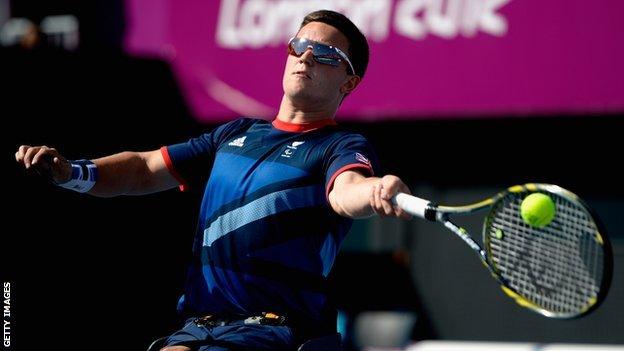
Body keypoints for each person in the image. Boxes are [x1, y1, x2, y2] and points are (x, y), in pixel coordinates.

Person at [15, 10, 412, 351]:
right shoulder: (233, 135)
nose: (305, 56)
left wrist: (374, 191)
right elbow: (143, 169)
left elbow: (346, 191)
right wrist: (71, 172)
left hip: (278, 329)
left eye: (325, 52)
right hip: (201, 324)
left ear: (349, 82)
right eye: (298, 45)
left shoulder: (338, 145)